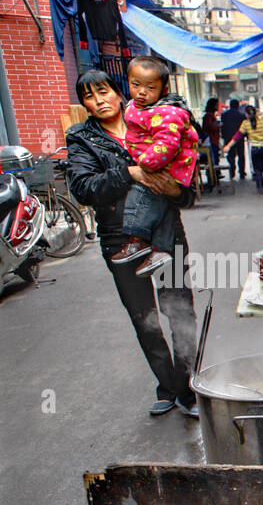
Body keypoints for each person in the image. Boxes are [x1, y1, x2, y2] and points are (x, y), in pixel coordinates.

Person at [65, 68, 199, 419]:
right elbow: (83, 188)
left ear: (118, 92)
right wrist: (129, 172)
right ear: (85, 105)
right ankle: (167, 386)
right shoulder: (82, 138)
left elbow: (187, 190)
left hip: (167, 234)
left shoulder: (153, 119)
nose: (100, 100)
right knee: (145, 318)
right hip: (119, 238)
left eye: (104, 91)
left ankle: (188, 388)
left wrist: (177, 190)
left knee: (180, 310)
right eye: (90, 96)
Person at [108, 56, 200, 276]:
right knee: (160, 205)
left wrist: (147, 165)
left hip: (164, 167)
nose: (141, 92)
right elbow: (86, 186)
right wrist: (130, 171)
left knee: (146, 196)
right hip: (112, 229)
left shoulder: (167, 112)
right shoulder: (133, 109)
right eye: (135, 85)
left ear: (163, 89)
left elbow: (168, 143)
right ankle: (160, 250)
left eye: (150, 87)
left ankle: (138, 240)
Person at [222, 103, 263, 195]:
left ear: (247, 114)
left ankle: (261, 188)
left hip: (255, 149)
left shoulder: (245, 124)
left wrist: (228, 146)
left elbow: (238, 136)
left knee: (258, 169)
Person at [220, 96, 246, 180]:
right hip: (239, 138)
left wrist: (223, 136)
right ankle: (241, 172)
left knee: (231, 155)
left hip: (228, 138)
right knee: (241, 155)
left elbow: (222, 127)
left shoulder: (224, 115)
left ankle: (232, 171)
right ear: (238, 106)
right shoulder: (241, 115)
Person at [201, 97, 221, 184]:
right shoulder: (209, 116)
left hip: (213, 141)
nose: (217, 106)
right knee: (213, 160)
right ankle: (213, 178)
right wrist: (217, 125)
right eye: (216, 105)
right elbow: (209, 126)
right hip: (211, 141)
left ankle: (214, 177)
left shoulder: (210, 115)